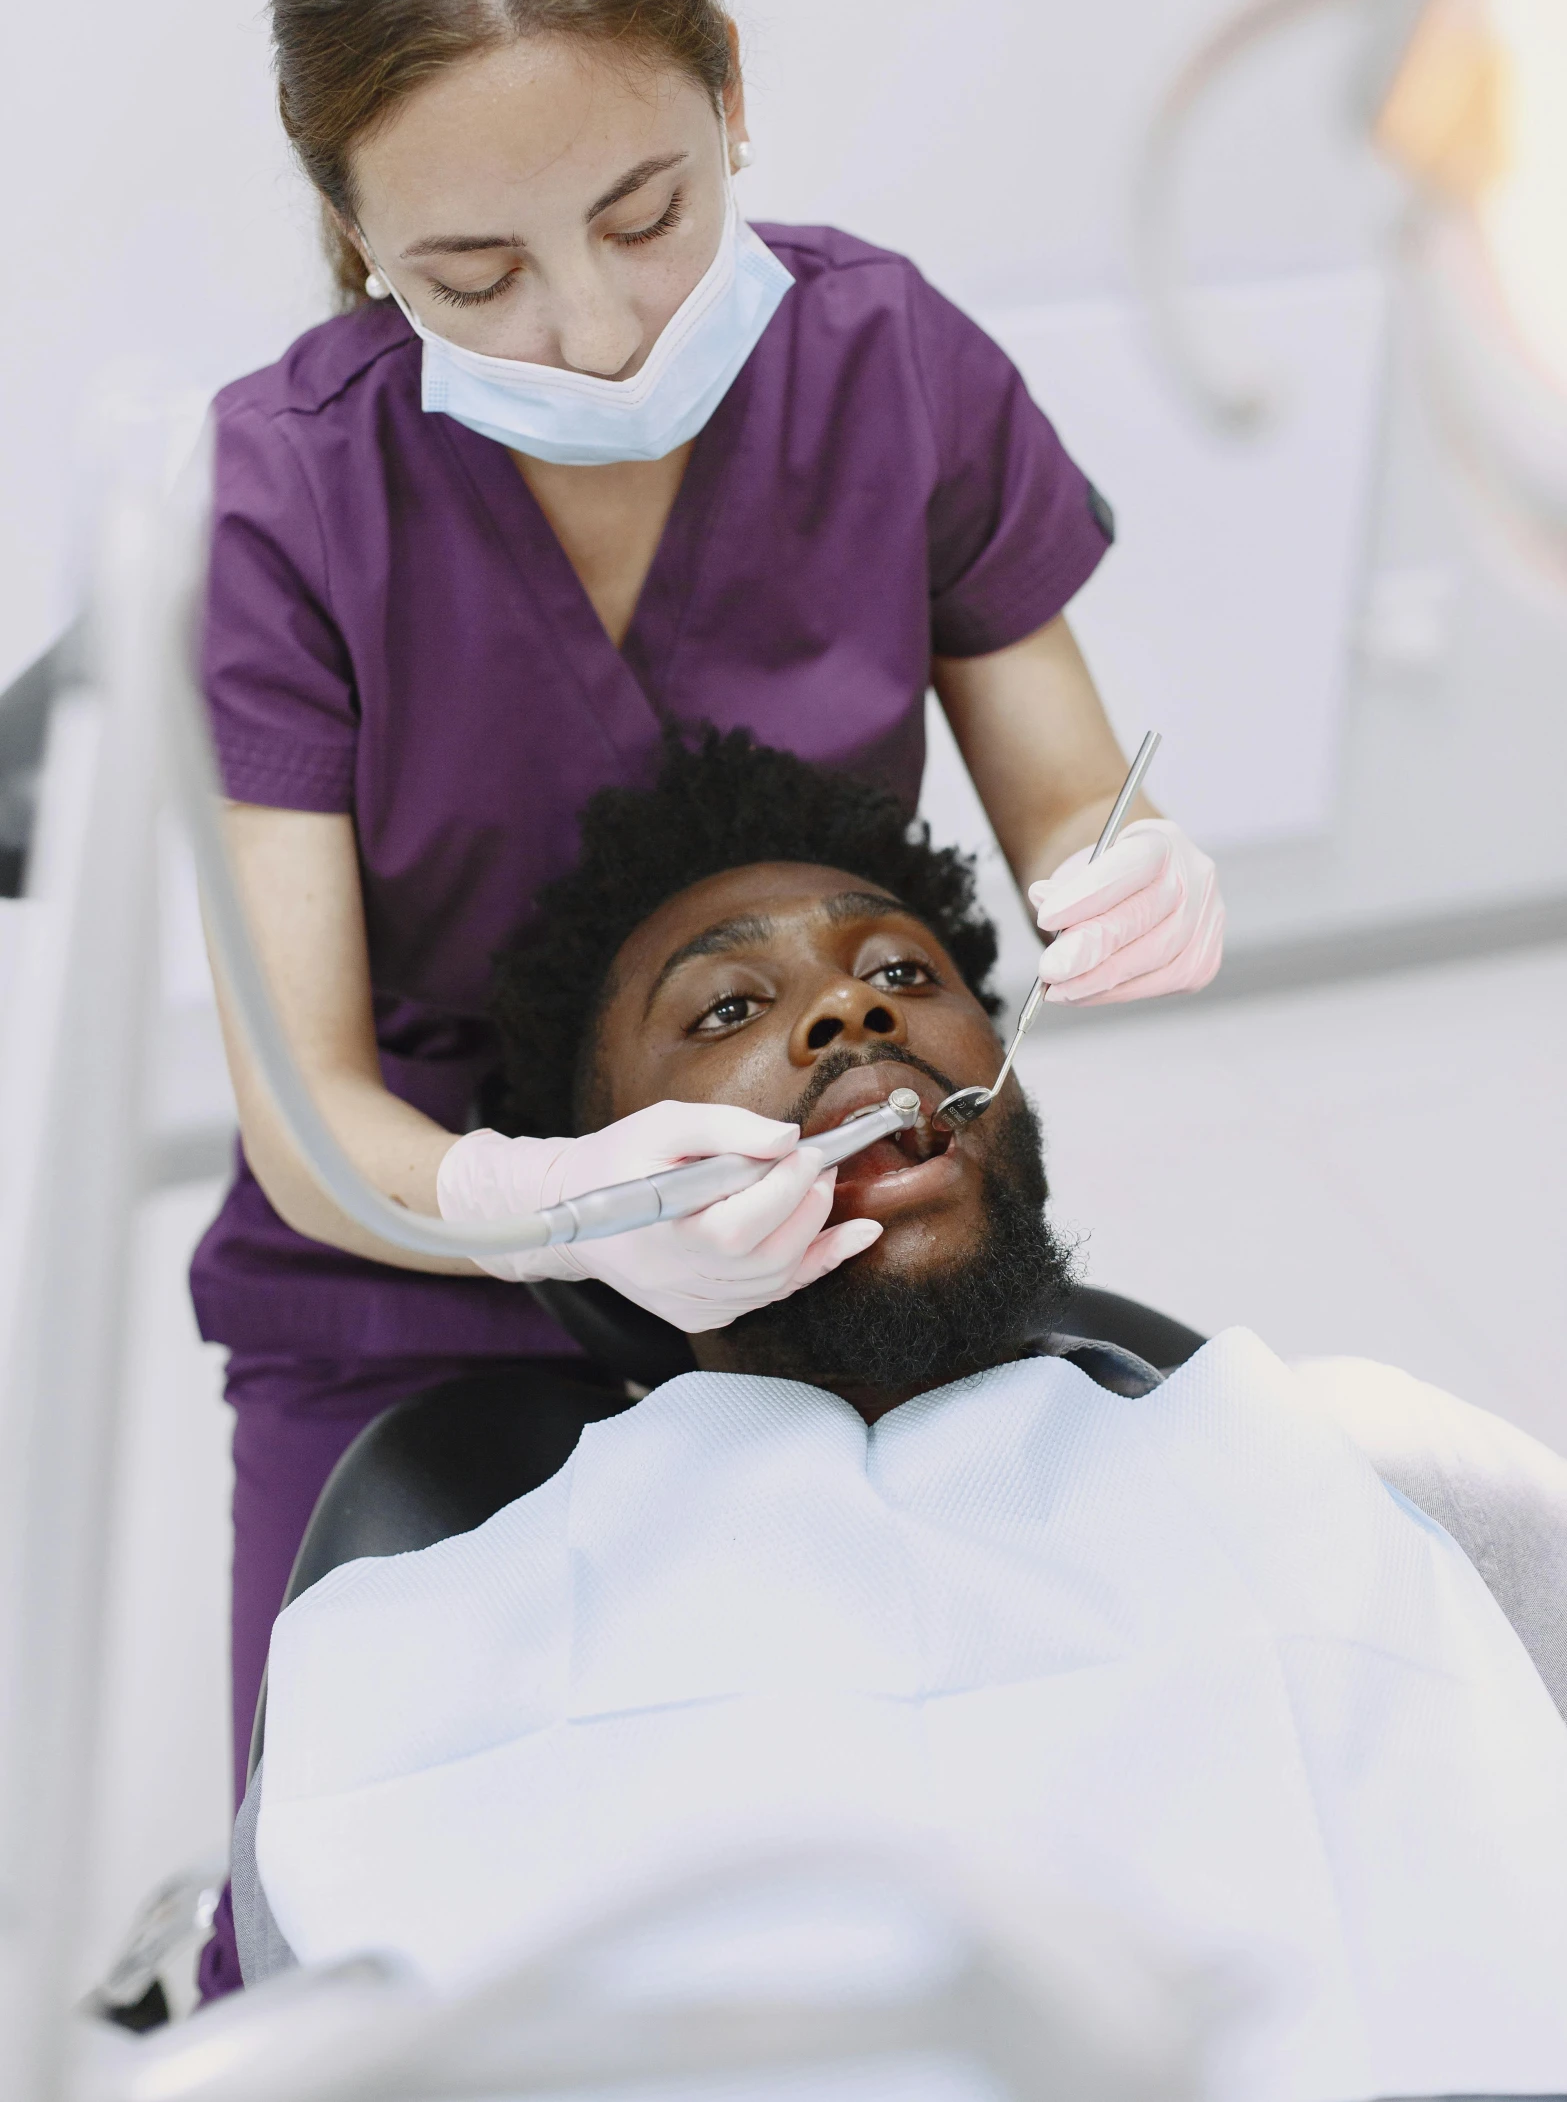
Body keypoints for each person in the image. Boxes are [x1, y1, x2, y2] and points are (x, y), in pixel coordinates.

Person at [196, 0, 1227, 1992]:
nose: (589, 319)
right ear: (355, 234)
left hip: (822, 1230)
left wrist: (1128, 869)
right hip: (407, 1281)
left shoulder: (887, 366)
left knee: (913, 1839)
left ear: (736, 96)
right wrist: (544, 1207)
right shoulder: (289, 503)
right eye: (473, 269)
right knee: (373, 1920)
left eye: (648, 207)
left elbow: (1069, 792)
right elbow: (311, 1104)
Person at [237, 732, 1567, 2102]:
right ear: (604, 1183)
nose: (848, 1016)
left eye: (900, 974)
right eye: (723, 1008)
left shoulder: (1364, 1463)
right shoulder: (415, 1650)